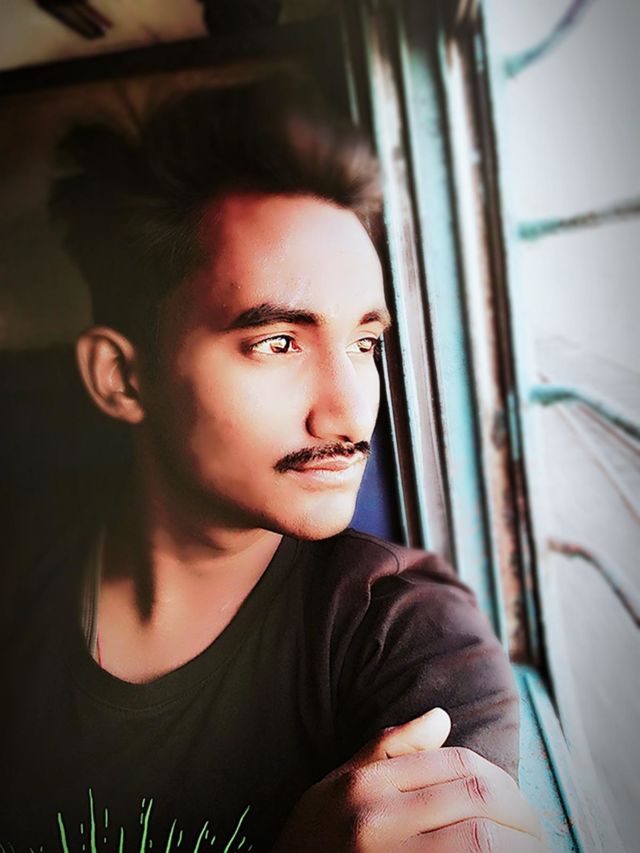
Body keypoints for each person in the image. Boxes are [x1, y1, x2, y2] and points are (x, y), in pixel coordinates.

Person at [1, 81, 544, 851]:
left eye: (365, 342)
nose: (349, 413)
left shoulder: (403, 638)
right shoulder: (20, 570)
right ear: (123, 378)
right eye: (278, 343)